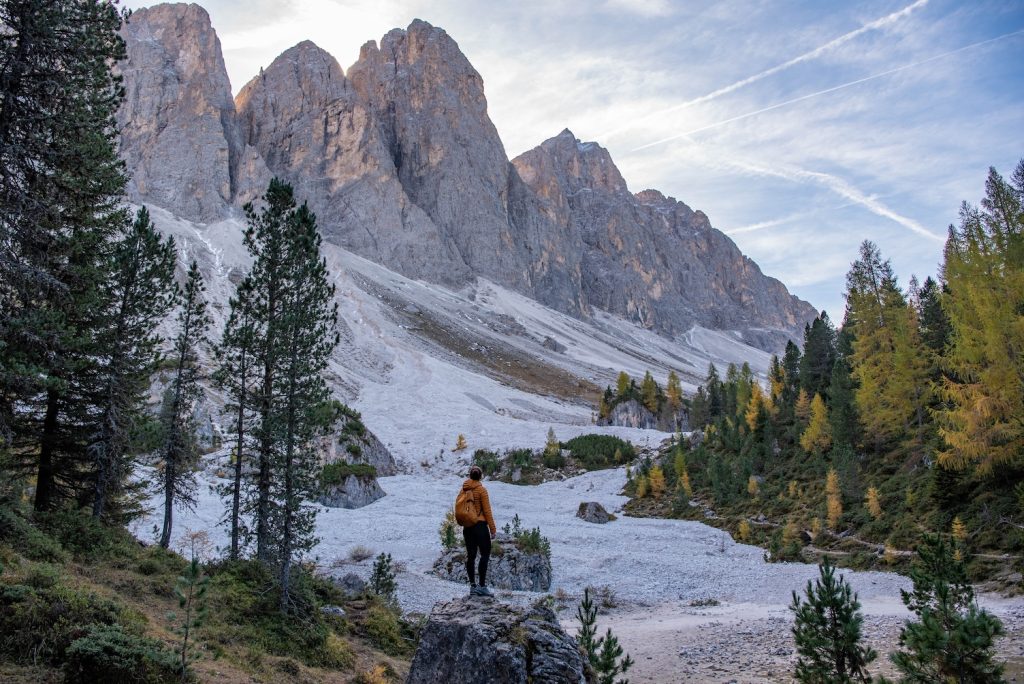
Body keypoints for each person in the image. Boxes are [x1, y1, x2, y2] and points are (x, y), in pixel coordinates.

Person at [461, 465, 497, 596]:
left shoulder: (464, 489)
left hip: (468, 527)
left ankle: (472, 586)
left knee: (471, 556)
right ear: (481, 476)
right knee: (485, 554)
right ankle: (482, 586)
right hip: (480, 526)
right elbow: (487, 511)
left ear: (470, 475)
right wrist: (492, 529)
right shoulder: (482, 490)